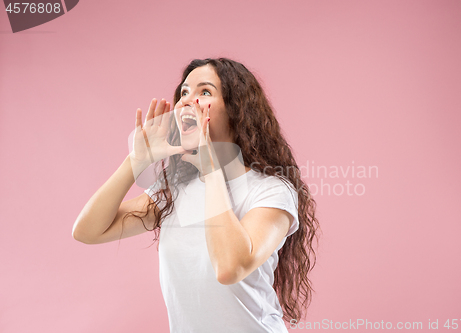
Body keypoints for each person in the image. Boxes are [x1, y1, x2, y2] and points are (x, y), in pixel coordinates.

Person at [73, 58, 320, 332]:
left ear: (237, 110)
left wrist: (211, 169)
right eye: (184, 92)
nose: (187, 101)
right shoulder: (176, 191)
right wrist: (136, 161)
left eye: (204, 92)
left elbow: (229, 268)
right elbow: (88, 231)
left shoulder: (272, 190)